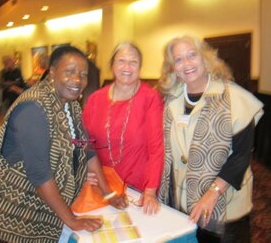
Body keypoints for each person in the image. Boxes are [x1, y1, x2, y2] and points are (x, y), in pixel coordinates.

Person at [0, 46, 126, 242]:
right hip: (8, 212)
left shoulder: (71, 105)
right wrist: (72, 221)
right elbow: (39, 173)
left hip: (36, 204)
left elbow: (87, 148)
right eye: (69, 72)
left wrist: (108, 194)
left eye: (83, 74)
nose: (77, 80)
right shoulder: (34, 107)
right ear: (52, 72)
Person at [157, 35, 264, 243]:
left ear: (205, 58)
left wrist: (213, 192)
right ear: (173, 68)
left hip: (225, 205)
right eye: (178, 60)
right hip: (182, 203)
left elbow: (241, 156)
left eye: (192, 55)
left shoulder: (234, 98)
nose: (186, 64)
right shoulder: (171, 99)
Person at [83, 41, 164, 215]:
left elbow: (156, 149)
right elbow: (83, 143)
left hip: (136, 189)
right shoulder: (95, 99)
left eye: (133, 62)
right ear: (112, 65)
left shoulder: (150, 98)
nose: (127, 66)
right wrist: (82, 170)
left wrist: (150, 191)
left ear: (140, 67)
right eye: (121, 61)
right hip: (102, 186)